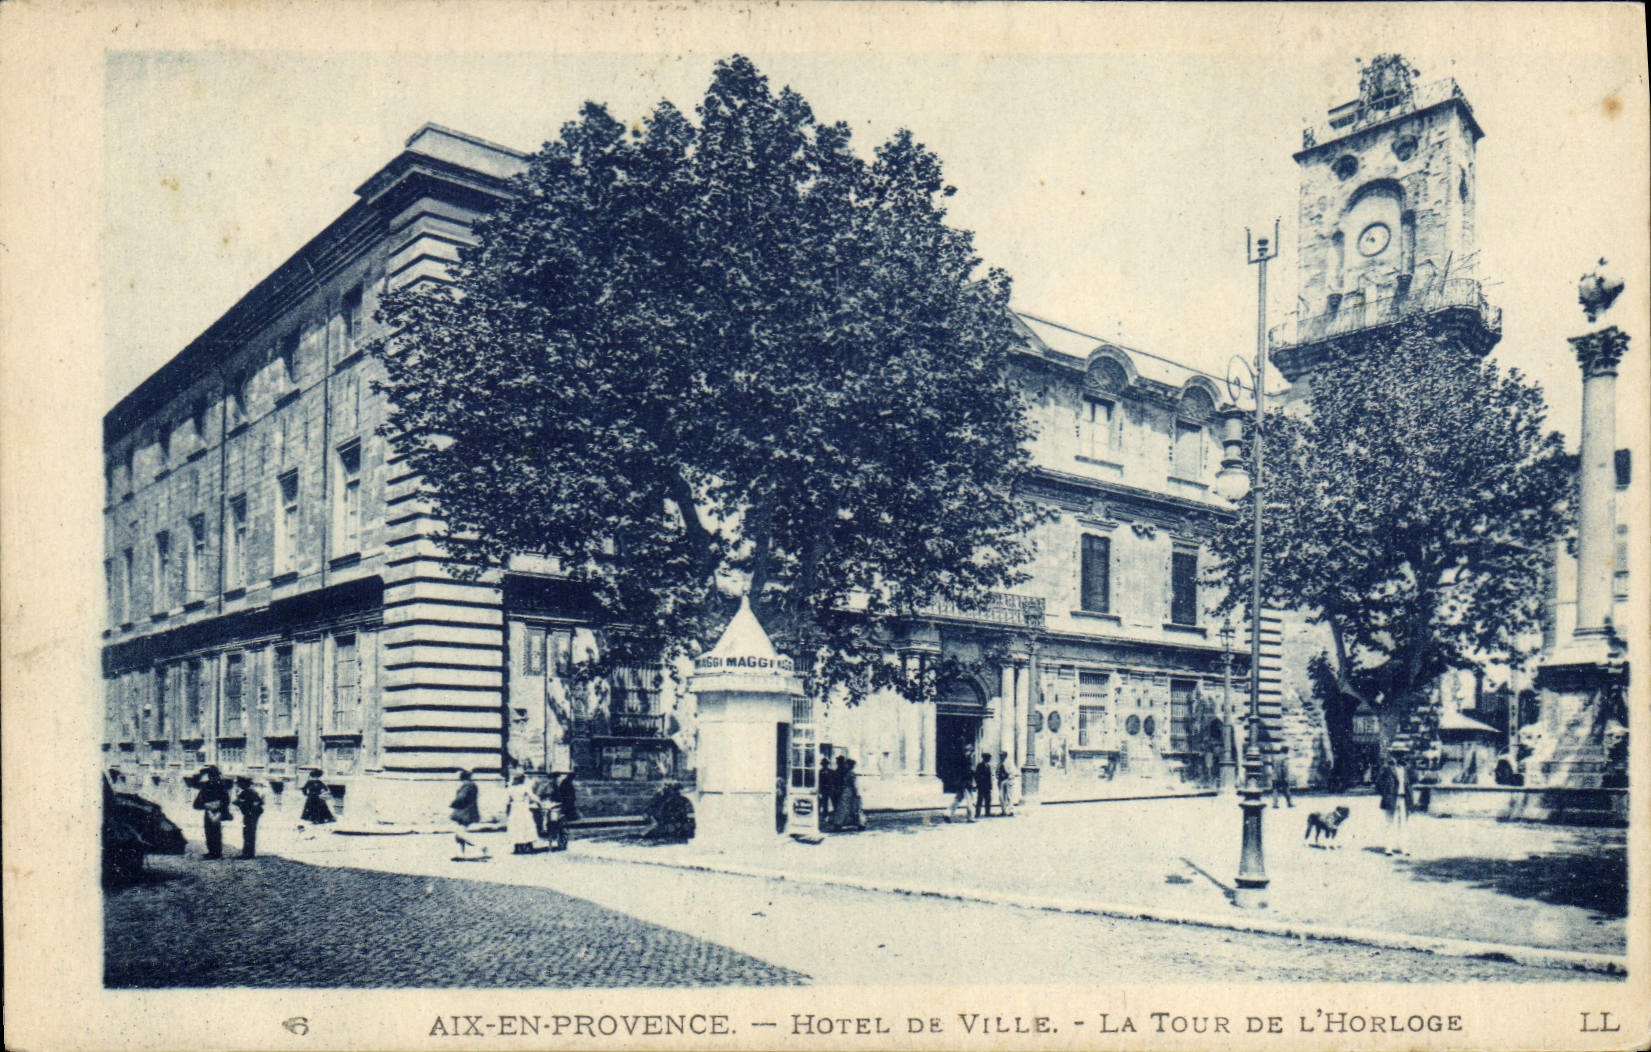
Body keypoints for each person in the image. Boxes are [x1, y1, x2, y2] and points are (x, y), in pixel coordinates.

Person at [189, 765, 232, 860]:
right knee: (208, 832)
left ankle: (217, 853)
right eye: (211, 775)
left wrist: (219, 806)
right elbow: (198, 802)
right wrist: (206, 805)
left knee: (216, 832)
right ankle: (212, 851)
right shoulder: (206, 785)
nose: (212, 777)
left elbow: (226, 800)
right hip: (208, 811)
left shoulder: (221, 786)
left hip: (217, 812)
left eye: (214, 775)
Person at [1377, 748, 1412, 856]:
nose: (1399, 756)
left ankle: (1404, 847)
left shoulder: (1407, 767)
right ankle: (1389, 848)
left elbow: (1413, 779)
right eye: (1396, 754)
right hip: (1392, 797)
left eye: (1401, 754)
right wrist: (1386, 793)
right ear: (1392, 754)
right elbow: (1378, 782)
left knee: (1404, 824)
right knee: (1390, 823)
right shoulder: (1387, 767)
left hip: (1404, 798)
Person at [449, 768, 488, 858]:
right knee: (459, 834)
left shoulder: (468, 785)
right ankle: (461, 854)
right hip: (465, 811)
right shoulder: (470, 785)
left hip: (465, 811)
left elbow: (461, 797)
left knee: (461, 834)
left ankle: (481, 846)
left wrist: (453, 803)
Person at [506, 772, 540, 854]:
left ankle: (517, 847)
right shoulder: (525, 787)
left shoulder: (510, 788)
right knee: (526, 825)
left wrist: (507, 810)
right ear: (522, 779)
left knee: (515, 826)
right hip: (523, 807)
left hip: (514, 808)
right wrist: (539, 802)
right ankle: (528, 846)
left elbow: (507, 801)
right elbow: (533, 797)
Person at [233, 775, 264, 859]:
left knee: (249, 833)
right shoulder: (247, 792)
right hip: (250, 814)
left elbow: (258, 803)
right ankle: (247, 853)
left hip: (251, 815)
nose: (238, 785)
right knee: (248, 833)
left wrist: (242, 803)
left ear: (244, 784)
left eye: (239, 783)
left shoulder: (249, 792)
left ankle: (248, 854)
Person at [945, 752, 974, 823]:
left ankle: (947, 813)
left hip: (963, 784)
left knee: (957, 799)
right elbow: (967, 776)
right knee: (970, 801)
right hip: (966, 785)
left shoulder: (963, 766)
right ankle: (970, 817)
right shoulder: (966, 767)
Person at [838, 758, 866, 831]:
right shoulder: (848, 773)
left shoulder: (851, 773)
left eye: (847, 764)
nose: (845, 765)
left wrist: (856, 793)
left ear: (850, 765)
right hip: (848, 791)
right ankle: (840, 823)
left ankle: (860, 823)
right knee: (847, 807)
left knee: (853, 807)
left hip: (849, 791)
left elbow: (854, 784)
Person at [818, 755, 837, 827]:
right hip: (824, 790)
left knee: (834, 803)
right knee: (824, 804)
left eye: (825, 764)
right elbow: (819, 782)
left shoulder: (831, 772)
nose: (824, 765)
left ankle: (835, 818)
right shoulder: (820, 772)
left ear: (827, 764)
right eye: (823, 764)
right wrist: (820, 791)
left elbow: (835, 781)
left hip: (831, 789)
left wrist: (834, 788)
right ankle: (824, 817)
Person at [974, 752, 994, 818]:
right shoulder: (979, 765)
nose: (989, 759)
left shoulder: (988, 766)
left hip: (987, 786)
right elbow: (976, 775)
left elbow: (989, 777)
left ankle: (987, 813)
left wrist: (990, 786)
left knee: (988, 799)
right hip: (981, 786)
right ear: (985, 758)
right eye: (988, 758)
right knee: (980, 800)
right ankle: (977, 814)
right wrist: (978, 783)